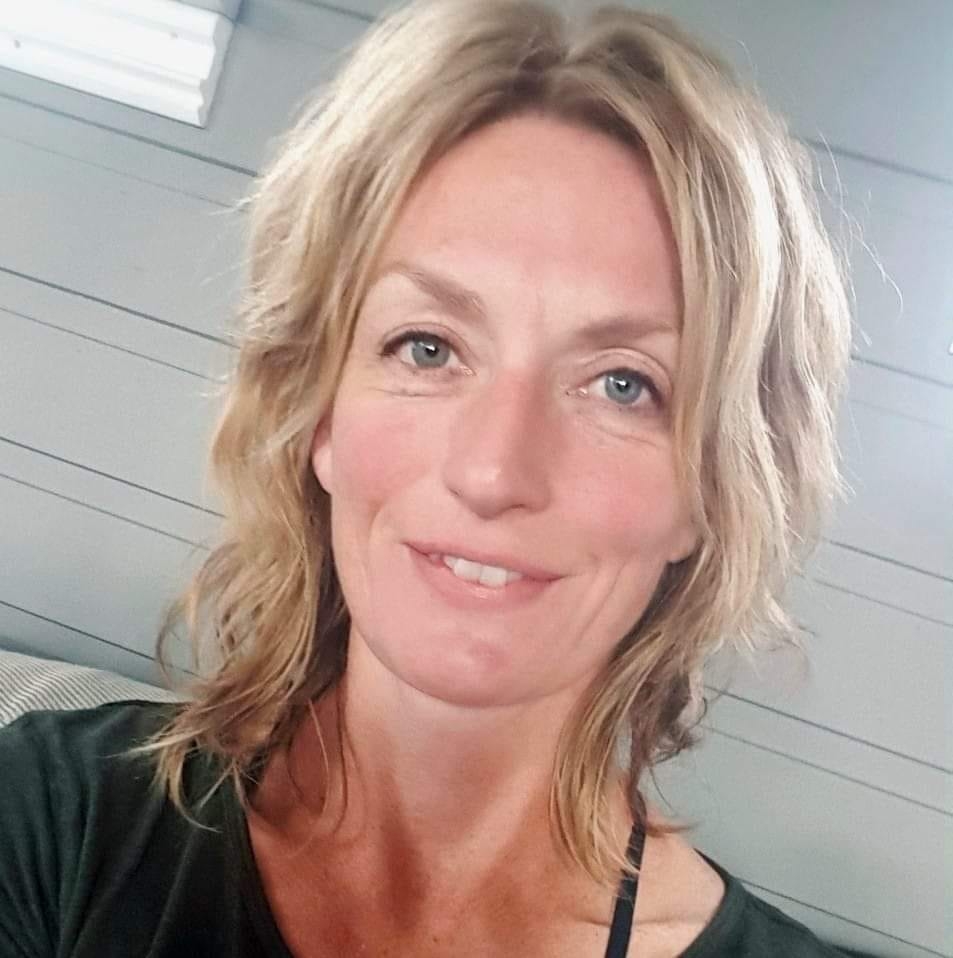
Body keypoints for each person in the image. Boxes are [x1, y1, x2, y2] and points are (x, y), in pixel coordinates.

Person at [0, 1, 853, 955]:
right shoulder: (46, 822)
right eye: (427, 347)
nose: (492, 471)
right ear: (319, 412)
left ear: (710, 491)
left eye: (623, 384)